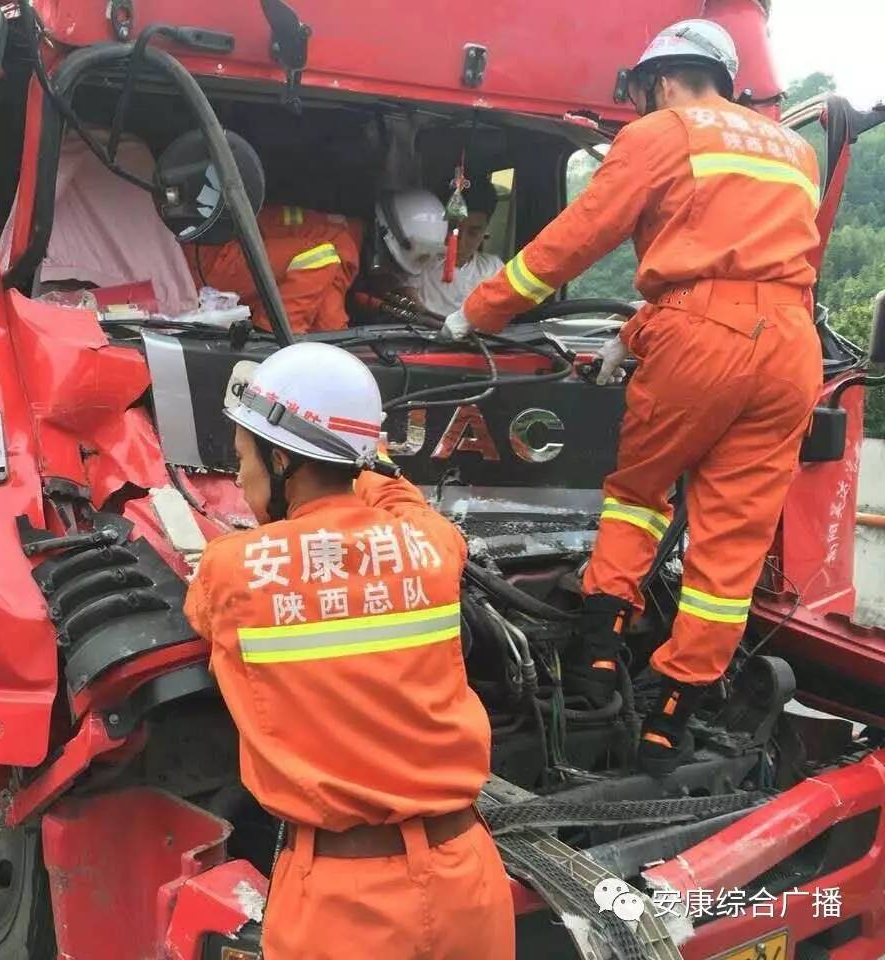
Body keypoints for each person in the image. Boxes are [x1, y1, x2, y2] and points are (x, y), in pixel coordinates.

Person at [445, 19, 824, 775]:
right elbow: (741, 267)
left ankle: (593, 653)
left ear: (656, 83)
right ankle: (672, 719)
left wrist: (478, 311)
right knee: (732, 541)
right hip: (791, 344)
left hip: (698, 339)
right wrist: (637, 332)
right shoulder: (794, 149)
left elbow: (575, 239)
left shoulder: (664, 132)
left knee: (638, 493)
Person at [183, 342, 514, 960]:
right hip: (468, 878)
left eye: (242, 461)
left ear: (280, 458)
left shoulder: (231, 570)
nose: (238, 479)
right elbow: (397, 498)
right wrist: (353, 448)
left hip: (344, 902)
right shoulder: (432, 545)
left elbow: (206, 615)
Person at [188, 204, 364, 334]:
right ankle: (274, 338)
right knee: (320, 257)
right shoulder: (345, 243)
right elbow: (328, 324)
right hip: (213, 255)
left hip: (206, 244)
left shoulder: (331, 226)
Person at [416, 176, 504, 315]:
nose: (460, 244)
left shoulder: (493, 269)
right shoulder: (417, 266)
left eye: (473, 233)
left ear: (485, 230)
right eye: (451, 229)